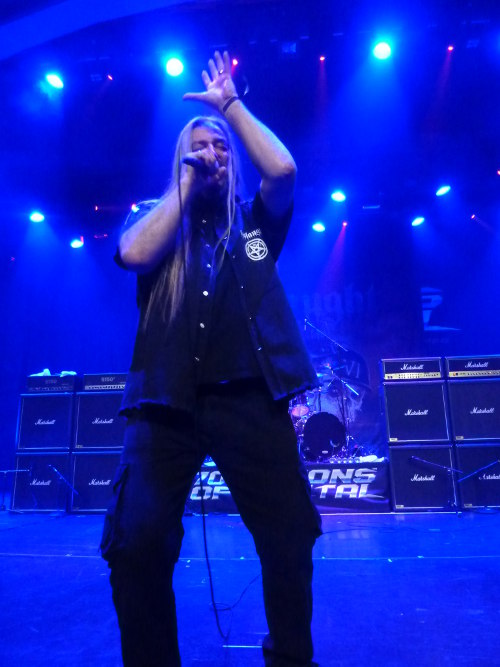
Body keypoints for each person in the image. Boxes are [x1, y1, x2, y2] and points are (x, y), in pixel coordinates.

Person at [101, 50, 322, 667]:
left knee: (289, 537)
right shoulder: (157, 222)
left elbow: (283, 170)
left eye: (221, 150)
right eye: (200, 149)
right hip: (164, 404)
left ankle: (290, 656)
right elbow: (133, 255)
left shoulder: (254, 228)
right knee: (136, 545)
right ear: (181, 160)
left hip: (249, 398)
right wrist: (185, 184)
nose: (213, 156)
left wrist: (229, 108)